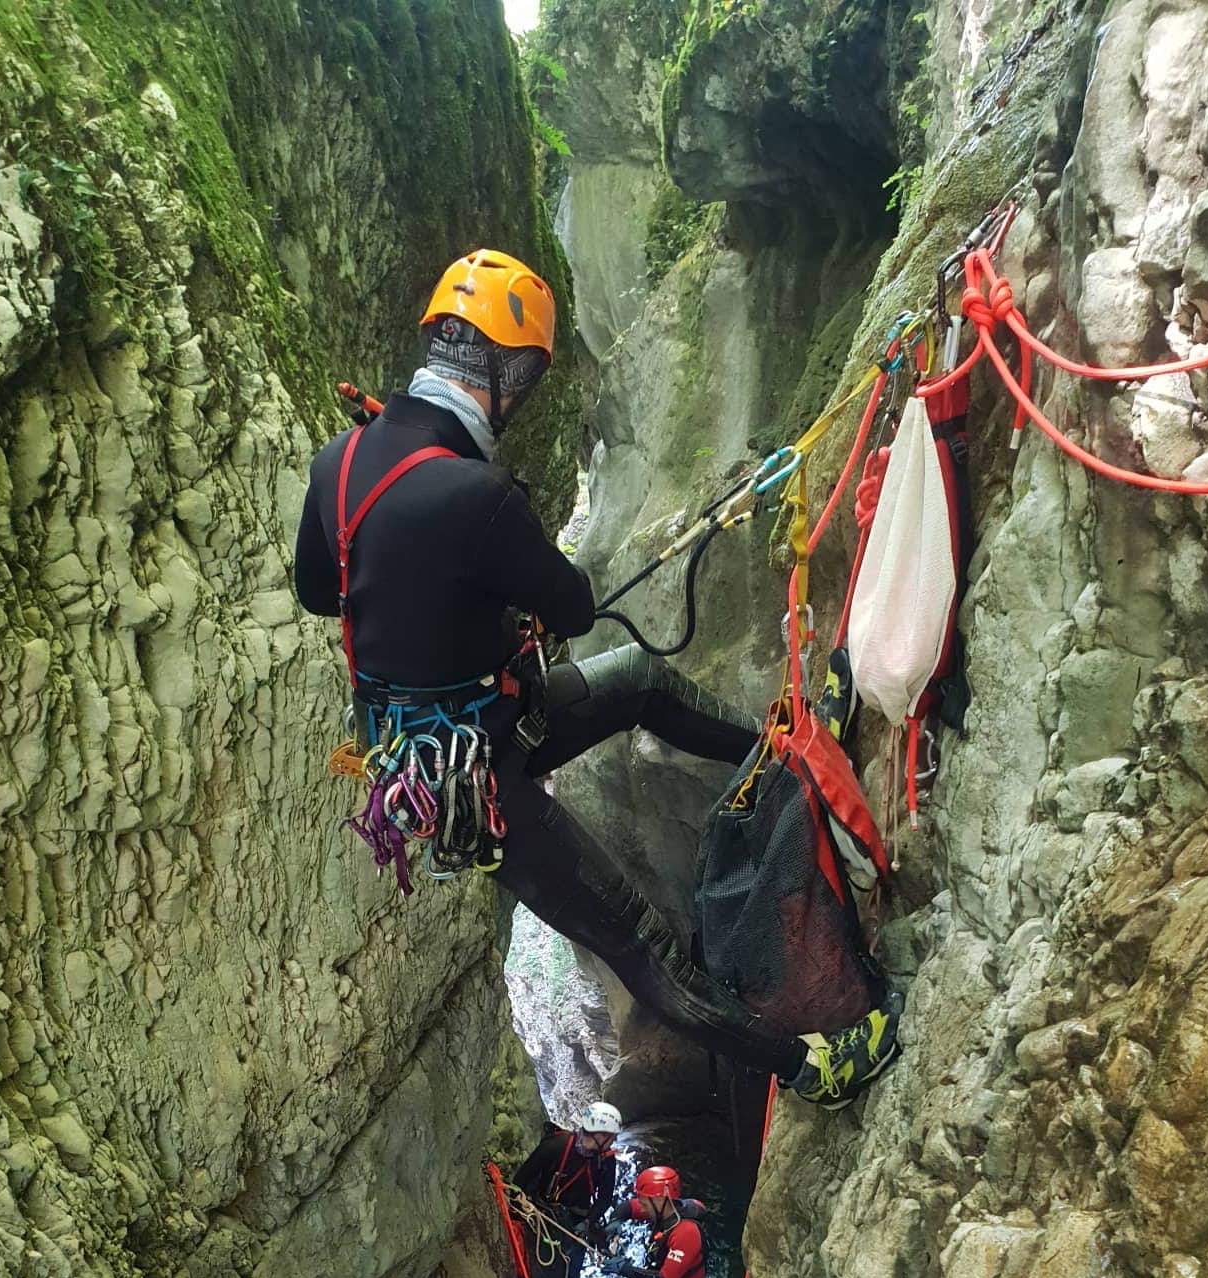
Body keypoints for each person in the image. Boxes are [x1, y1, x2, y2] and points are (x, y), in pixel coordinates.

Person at [294, 247, 900, 1110]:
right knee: (640, 942)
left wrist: (432, 598)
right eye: (527, 376)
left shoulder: (338, 464)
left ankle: (785, 755)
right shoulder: (476, 494)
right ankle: (816, 1069)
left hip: (447, 741)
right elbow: (573, 606)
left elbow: (321, 591)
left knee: (639, 680)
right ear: (504, 371)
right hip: (483, 786)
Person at [513, 1102, 622, 1278]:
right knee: (543, 1270)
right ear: (599, 1135)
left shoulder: (606, 1162)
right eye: (610, 1137)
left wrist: (588, 1223)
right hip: (544, 1214)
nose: (612, 1142)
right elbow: (521, 1181)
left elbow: (605, 1198)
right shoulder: (556, 1146)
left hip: (575, 1223)